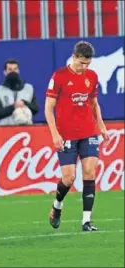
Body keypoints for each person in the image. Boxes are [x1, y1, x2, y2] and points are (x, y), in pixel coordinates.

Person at [45, 41, 109, 231]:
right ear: (74, 57)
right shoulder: (59, 76)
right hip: (66, 135)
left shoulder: (92, 76)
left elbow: (94, 103)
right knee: (69, 177)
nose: (84, 67)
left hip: (89, 131)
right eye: (81, 63)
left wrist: (102, 126)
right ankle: (57, 206)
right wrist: (55, 134)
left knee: (89, 172)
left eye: (88, 64)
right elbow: (49, 108)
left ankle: (86, 221)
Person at [0, 59, 39, 125]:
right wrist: (13, 107)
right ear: (5, 72)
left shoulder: (29, 88)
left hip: (26, 129)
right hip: (5, 130)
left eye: (15, 69)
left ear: (18, 71)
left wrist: (25, 103)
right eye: (10, 69)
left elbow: (35, 108)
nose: (13, 72)